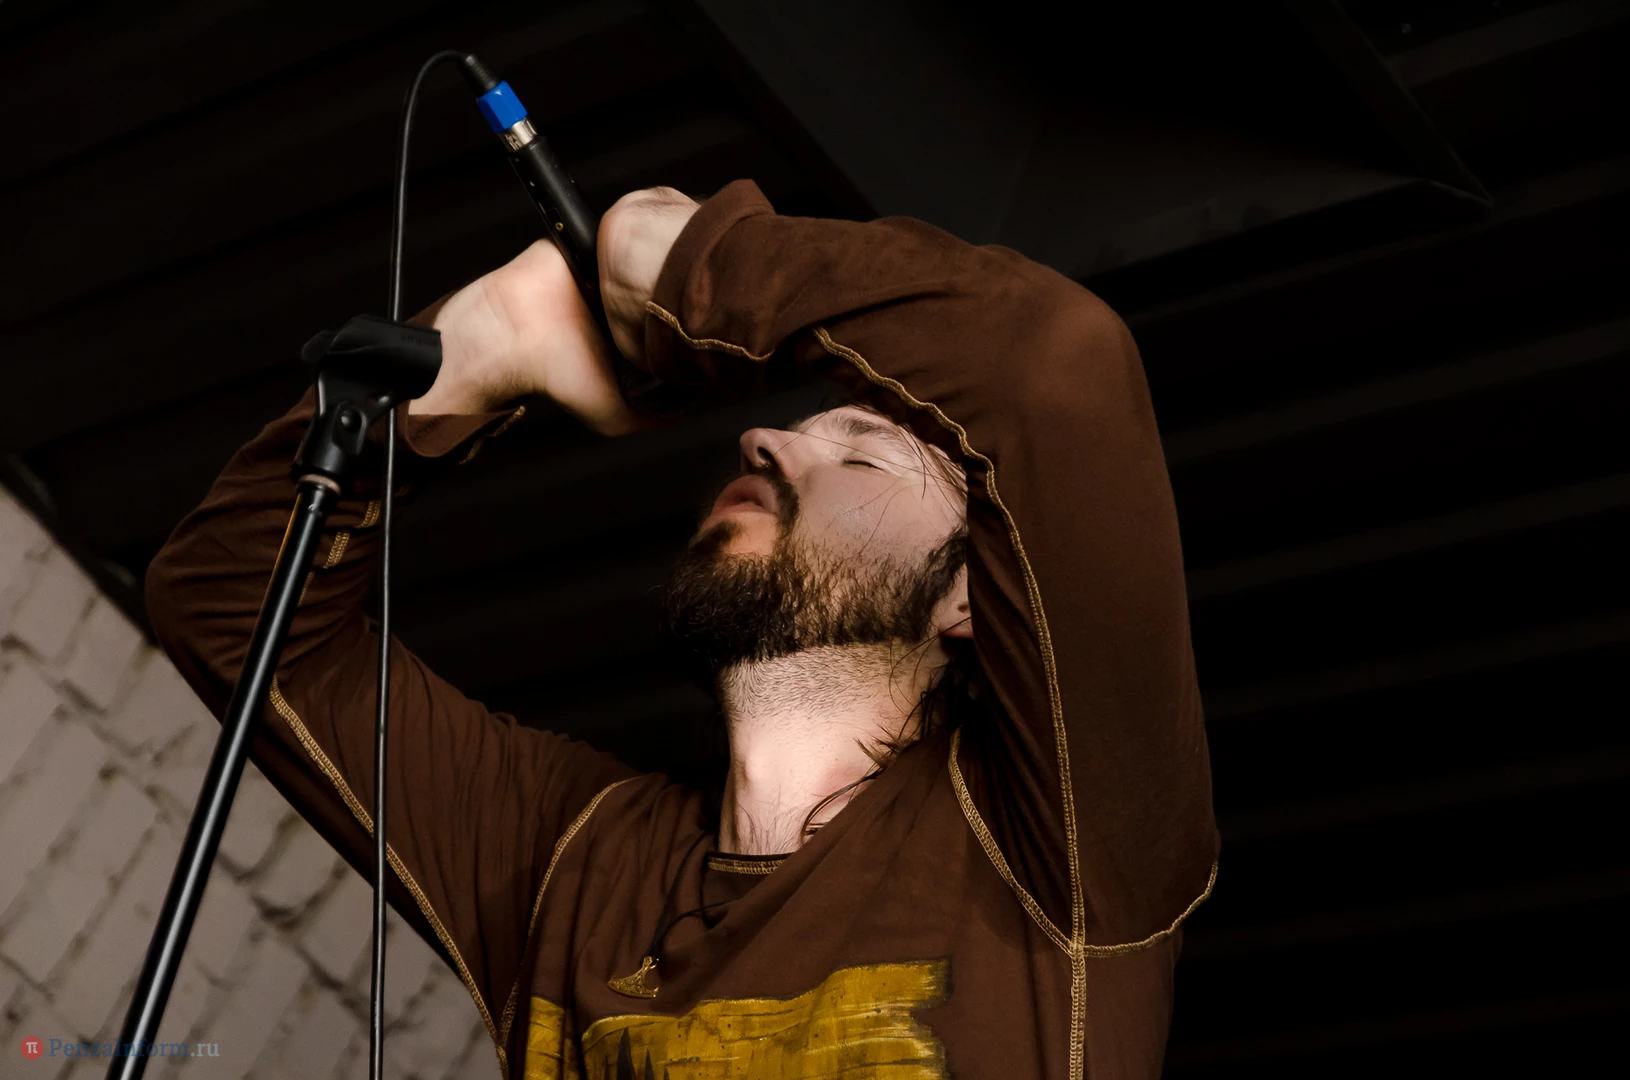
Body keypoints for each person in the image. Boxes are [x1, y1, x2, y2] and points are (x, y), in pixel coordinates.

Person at [148, 180, 1217, 1080]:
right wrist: (479, 348)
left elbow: (1051, 363)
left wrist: (676, 263)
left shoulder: (1058, 837)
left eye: (860, 455)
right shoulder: (572, 856)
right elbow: (230, 608)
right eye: (786, 430)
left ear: (969, 600)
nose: (762, 441)